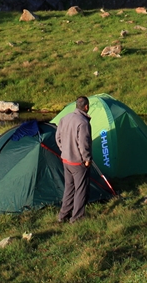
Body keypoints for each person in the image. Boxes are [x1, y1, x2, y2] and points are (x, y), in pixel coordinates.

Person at [55, 95, 92, 223]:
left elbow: (57, 137)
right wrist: (86, 158)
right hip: (78, 162)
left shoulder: (64, 118)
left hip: (66, 160)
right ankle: (76, 218)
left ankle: (63, 215)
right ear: (86, 107)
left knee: (69, 188)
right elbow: (84, 144)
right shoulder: (83, 122)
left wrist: (64, 150)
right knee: (81, 190)